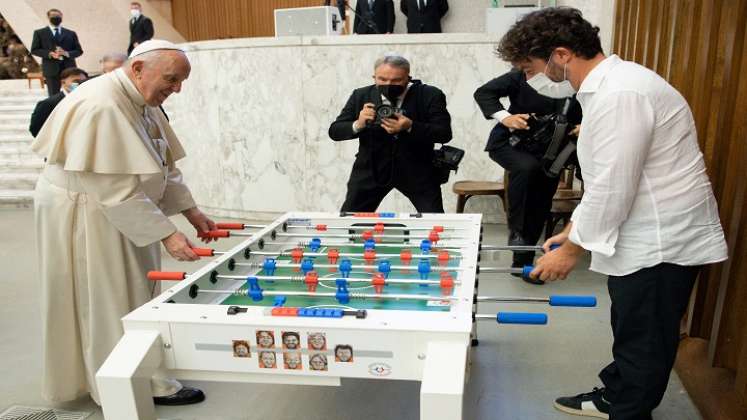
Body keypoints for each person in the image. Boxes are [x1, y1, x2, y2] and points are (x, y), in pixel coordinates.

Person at [496, 8, 728, 420]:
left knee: (644, 338)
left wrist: (570, 253)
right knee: (630, 324)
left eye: (530, 67)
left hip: (659, 238)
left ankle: (629, 410)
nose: (532, 77)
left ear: (561, 54)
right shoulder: (613, 86)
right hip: (642, 229)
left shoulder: (621, 94)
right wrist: (572, 230)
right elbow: (607, 178)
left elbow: (615, 186)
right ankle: (615, 395)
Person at [31, 39, 216, 407]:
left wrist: (191, 213)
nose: (176, 89)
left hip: (118, 209)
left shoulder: (142, 100)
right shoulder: (100, 105)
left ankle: (142, 371)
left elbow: (164, 165)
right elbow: (113, 188)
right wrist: (168, 234)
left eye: (180, 81)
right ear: (137, 69)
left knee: (132, 291)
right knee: (106, 297)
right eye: (171, 79)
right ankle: (119, 384)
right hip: (85, 211)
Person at [474, 69, 582, 284]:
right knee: (526, 168)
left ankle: (522, 263)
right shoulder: (523, 74)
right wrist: (506, 117)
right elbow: (484, 93)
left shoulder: (579, 79)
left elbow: (597, 109)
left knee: (540, 202)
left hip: (554, 152)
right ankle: (516, 232)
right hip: (512, 144)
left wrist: (585, 125)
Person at [329, 54, 452, 213]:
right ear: (374, 77)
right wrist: (358, 124)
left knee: (434, 222)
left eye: (396, 81)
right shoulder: (361, 95)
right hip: (370, 170)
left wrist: (410, 126)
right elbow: (335, 131)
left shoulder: (429, 94)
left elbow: (444, 133)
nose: (388, 84)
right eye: (382, 79)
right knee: (351, 221)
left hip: (418, 170)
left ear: (408, 78)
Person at [30, 9, 83, 96]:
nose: (56, 18)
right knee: (53, 95)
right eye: (53, 16)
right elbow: (34, 50)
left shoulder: (71, 33)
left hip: (69, 69)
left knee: (73, 94)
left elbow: (79, 51)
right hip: (51, 69)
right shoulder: (39, 33)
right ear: (48, 17)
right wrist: (49, 54)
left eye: (58, 16)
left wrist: (66, 53)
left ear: (62, 17)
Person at [29, 67, 88, 137]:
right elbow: (35, 129)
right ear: (63, 83)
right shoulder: (48, 103)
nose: (80, 84)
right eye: (76, 81)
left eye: (83, 82)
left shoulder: (87, 100)